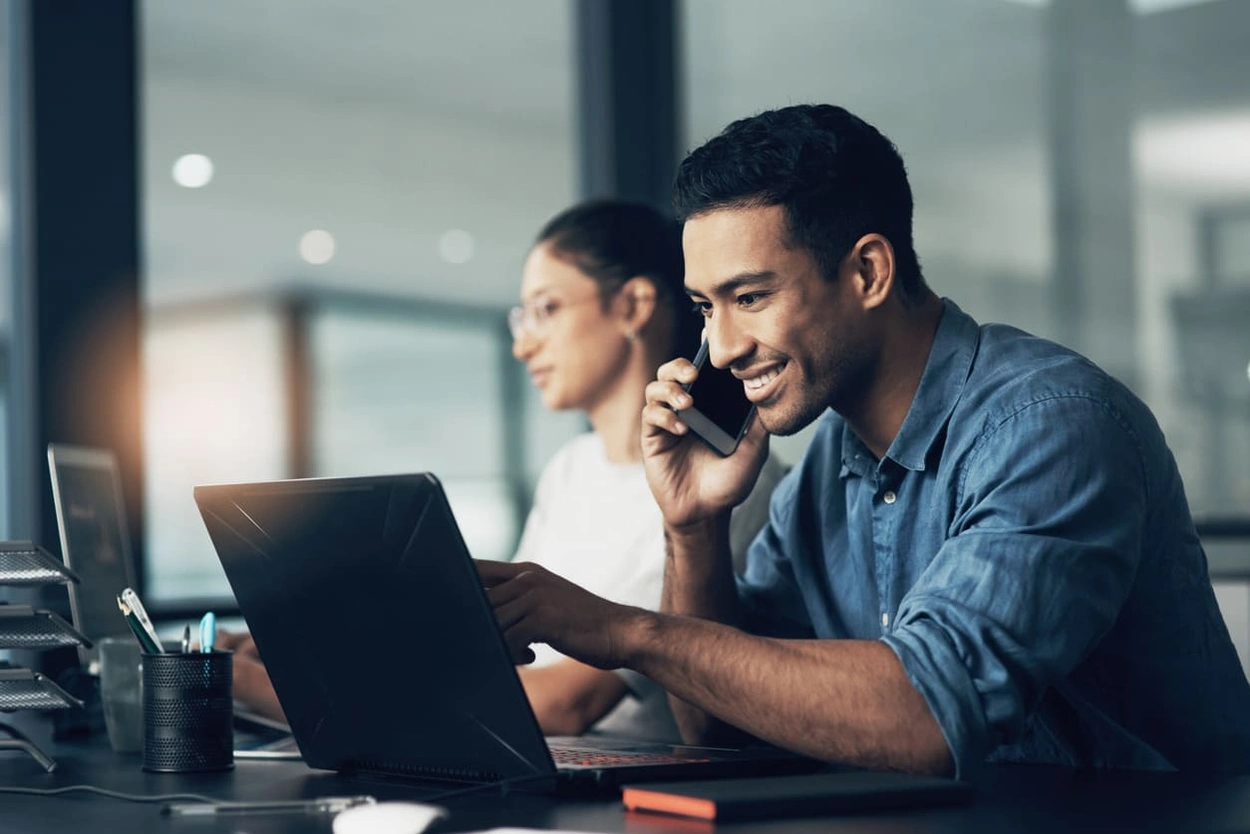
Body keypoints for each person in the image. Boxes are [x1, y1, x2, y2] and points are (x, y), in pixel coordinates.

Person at [478, 104, 1250, 778]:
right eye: (707, 308)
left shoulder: (1053, 425)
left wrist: (621, 630)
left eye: (751, 297)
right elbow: (719, 725)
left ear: (870, 272)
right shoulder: (827, 466)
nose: (722, 348)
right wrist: (693, 525)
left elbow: (925, 717)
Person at [222, 199, 782, 740]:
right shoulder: (571, 469)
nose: (523, 346)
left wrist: (274, 689)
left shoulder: (722, 480)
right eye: (521, 317)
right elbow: (491, 654)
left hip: (629, 782)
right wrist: (309, 656)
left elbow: (566, 702)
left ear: (634, 305)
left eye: (546, 309)